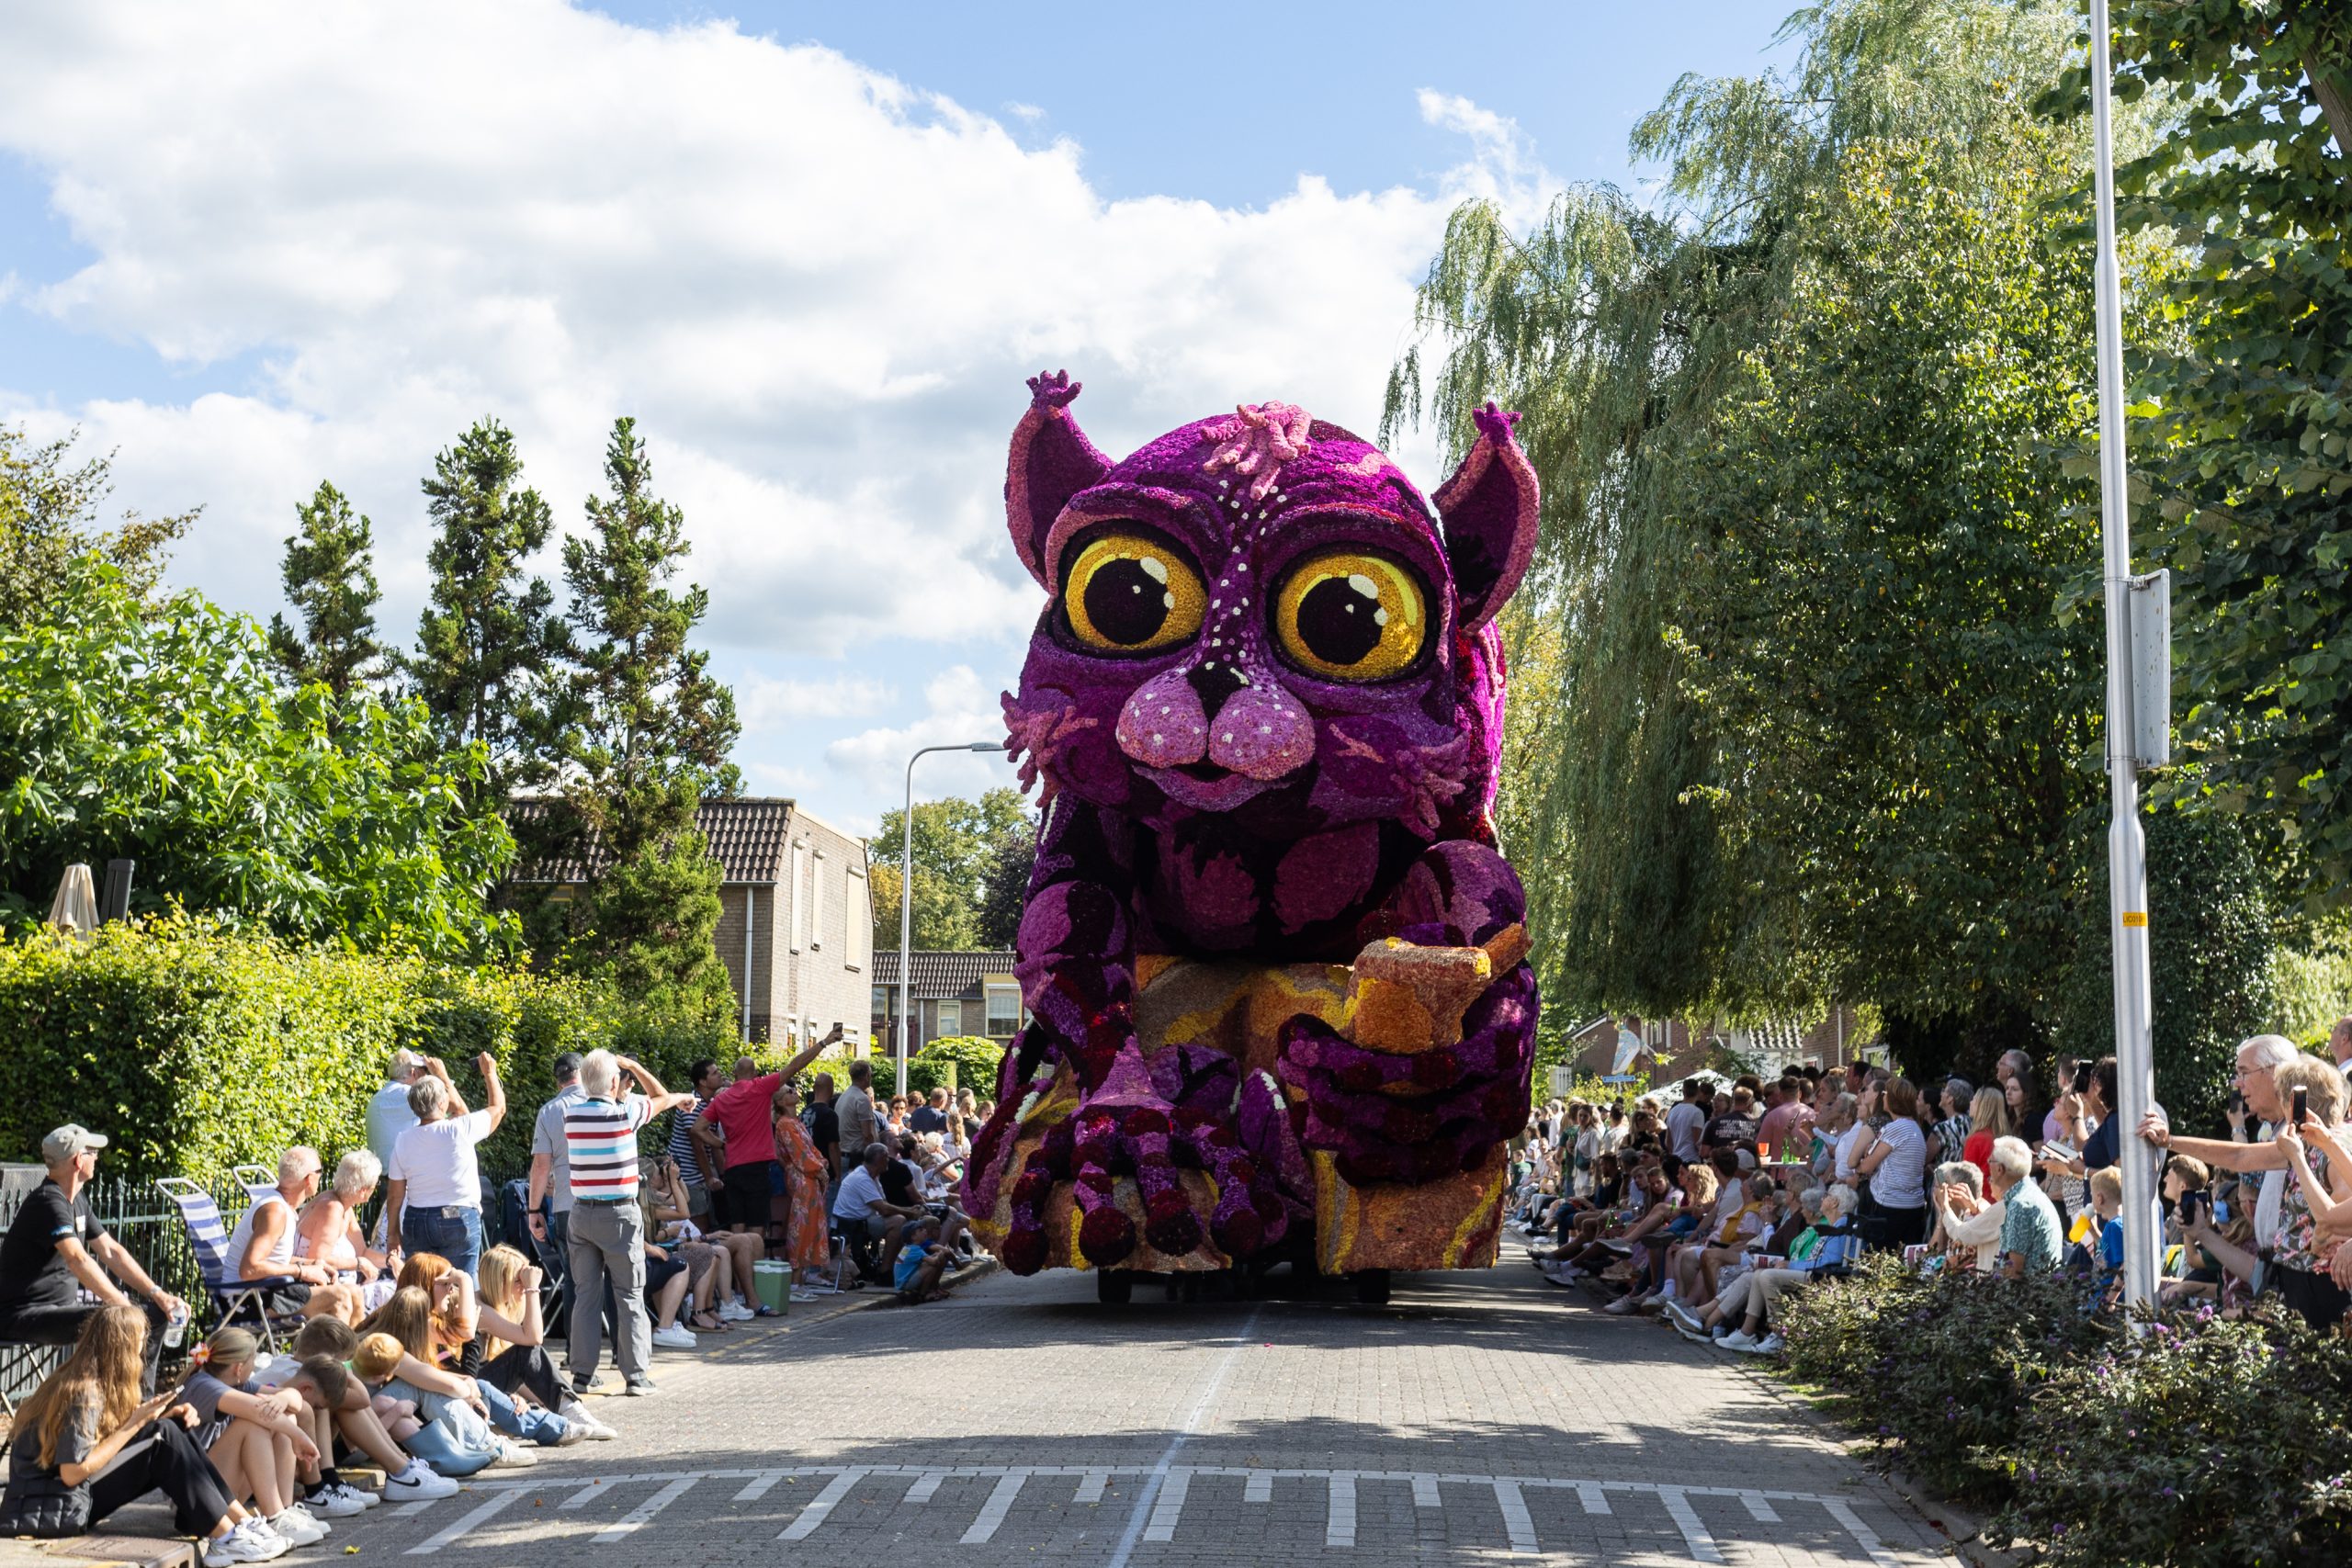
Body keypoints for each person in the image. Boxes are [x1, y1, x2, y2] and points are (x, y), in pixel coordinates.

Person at [0, 1305, 286, 1564]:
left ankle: (239, 1522)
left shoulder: (93, 1380)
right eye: (139, 1341)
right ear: (121, 1347)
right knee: (160, 1436)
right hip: (55, 1503)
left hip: (66, 1496)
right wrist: (137, 1423)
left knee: (169, 1428)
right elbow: (72, 1472)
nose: (143, 1349)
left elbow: (106, 1440)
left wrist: (161, 1415)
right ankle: (225, 1539)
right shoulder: (84, 1391)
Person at [2134, 1035, 2337, 1321]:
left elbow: (2239, 1157)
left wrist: (2169, 1141)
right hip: (2284, 1276)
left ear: (2277, 1074)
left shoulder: (2311, 1141)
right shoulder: (2289, 1136)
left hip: (2314, 1285)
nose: (2237, 1083)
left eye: (2244, 1072)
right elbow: (2240, 1158)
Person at [0, 1125, 187, 1391]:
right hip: (24, 1315)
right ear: (78, 1160)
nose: (97, 1157)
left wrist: (158, 1293)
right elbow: (78, 1259)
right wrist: (121, 1304)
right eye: (92, 1152)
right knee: (119, 1319)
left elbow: (111, 1251)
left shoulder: (76, 1200)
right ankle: (127, 1410)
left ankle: (139, 1402)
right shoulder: (48, 1202)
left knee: (154, 1314)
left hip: (62, 1306)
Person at [560, 1050, 695, 1398]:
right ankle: (636, 1375)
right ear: (615, 1082)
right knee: (629, 1295)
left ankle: (582, 1374)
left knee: (586, 1296)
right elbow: (660, 1098)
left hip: (580, 1214)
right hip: (618, 1214)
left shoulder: (571, 1115)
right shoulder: (624, 1115)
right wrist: (636, 1066)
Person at [179, 1326, 330, 1547]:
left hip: (221, 1487)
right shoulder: (203, 1386)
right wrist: (299, 1436)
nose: (255, 1365)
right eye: (254, 1359)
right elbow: (257, 1411)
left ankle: (284, 1513)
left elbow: (298, 1402)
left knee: (284, 1416)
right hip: (196, 1497)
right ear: (239, 1368)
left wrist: (284, 1397)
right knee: (253, 1425)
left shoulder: (238, 1383)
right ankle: (275, 1515)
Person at [697, 1027, 844, 1240]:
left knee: (737, 1225)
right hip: (757, 1167)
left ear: (735, 1074)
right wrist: (823, 1043)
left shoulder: (721, 1099)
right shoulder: (761, 1087)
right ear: (755, 1073)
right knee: (757, 1227)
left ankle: (736, 1271)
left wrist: (722, 1145)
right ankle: (753, 1270)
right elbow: (795, 1065)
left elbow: (698, 1129)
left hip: (733, 1169)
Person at [462, 1246, 615, 1440]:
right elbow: (533, 1339)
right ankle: (569, 1412)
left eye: (526, 1281)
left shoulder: (498, 1305)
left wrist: (533, 1400)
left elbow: (522, 1369)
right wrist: (533, 1290)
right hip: (470, 1389)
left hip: (480, 1385)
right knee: (527, 1349)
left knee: (527, 1359)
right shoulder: (478, 1308)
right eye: (519, 1280)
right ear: (499, 1282)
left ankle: (570, 1411)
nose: (524, 1287)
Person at [384, 1055, 505, 1278]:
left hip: (416, 1219)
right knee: (460, 1288)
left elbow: (395, 1196)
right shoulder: (460, 1129)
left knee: (421, 1290)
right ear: (442, 1104)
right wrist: (490, 1074)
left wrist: (392, 1234)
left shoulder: (403, 1139)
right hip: (458, 1216)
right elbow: (498, 1108)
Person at [224, 1147, 336, 1314]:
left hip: (262, 1293)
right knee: (340, 1298)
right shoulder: (275, 1212)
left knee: (353, 1293)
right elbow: (249, 1269)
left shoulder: (281, 1206)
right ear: (309, 1179)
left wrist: (311, 1264)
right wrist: (302, 1271)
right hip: (245, 1301)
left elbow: (274, 1258)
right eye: (320, 1171)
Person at [773, 1081, 836, 1295]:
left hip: (809, 1176)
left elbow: (811, 1149)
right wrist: (819, 1168)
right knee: (801, 1226)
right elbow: (798, 1153)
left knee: (811, 1225)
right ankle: (795, 1281)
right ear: (781, 1102)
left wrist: (820, 1164)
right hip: (801, 1177)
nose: (794, 1091)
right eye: (788, 1091)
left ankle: (800, 1279)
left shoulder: (795, 1122)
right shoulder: (785, 1124)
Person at [524, 1054, 588, 1267]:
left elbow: (541, 1166)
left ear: (557, 1081)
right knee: (609, 1279)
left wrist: (533, 1211)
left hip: (567, 1204)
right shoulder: (606, 1103)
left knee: (573, 1278)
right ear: (583, 1072)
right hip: (607, 1203)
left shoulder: (549, 1111)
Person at [1851, 1077, 1930, 1249]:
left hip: (1890, 1205)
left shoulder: (1895, 1128)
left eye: (1885, 1093)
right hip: (1913, 1205)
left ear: (1893, 1099)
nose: (1883, 1097)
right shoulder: (1915, 1127)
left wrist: (1858, 1167)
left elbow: (1868, 1165)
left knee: (1881, 1261)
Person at [293, 1151, 390, 1286]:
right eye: (376, 1183)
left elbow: (362, 1251)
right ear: (363, 1190)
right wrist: (359, 1264)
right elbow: (317, 1260)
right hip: (324, 1291)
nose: (376, 1187)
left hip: (342, 1287)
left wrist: (390, 1261)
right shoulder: (331, 1209)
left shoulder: (343, 1205)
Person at [832, 1143, 922, 1285]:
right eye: (887, 1158)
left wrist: (909, 1212)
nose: (889, 1161)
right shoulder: (862, 1178)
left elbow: (884, 1203)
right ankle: (885, 1271)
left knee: (902, 1221)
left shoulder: (873, 1176)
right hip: (852, 1223)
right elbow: (883, 1208)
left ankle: (893, 1266)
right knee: (898, 1221)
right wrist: (909, 1212)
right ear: (880, 1159)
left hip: (863, 1219)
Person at [1990, 1135, 2062, 1276]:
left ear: (2000, 1169)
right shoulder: (2029, 1194)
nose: (1987, 1164)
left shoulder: (2021, 1205)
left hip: (2030, 1294)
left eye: (1990, 1161)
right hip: (2039, 1290)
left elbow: (2014, 1271)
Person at [665, 1058, 724, 1223]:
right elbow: (697, 1143)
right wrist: (709, 1178)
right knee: (699, 1223)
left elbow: (712, 1141)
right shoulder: (691, 1104)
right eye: (715, 1072)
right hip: (688, 1176)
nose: (720, 1074)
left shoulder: (710, 1104)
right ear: (703, 1082)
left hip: (699, 1174)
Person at [366, 1051, 427, 1173]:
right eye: (425, 1072)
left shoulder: (379, 1096)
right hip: (401, 1180)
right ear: (414, 1073)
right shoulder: (406, 1094)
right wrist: (441, 1075)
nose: (426, 1077)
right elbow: (444, 1100)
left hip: (381, 1176)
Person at [835, 1058, 883, 1173]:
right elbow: (867, 1134)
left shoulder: (843, 1096)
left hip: (843, 1155)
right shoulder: (862, 1099)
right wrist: (874, 1158)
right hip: (856, 1158)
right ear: (867, 1076)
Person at [893, 1214, 953, 1303]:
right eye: (921, 1230)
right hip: (905, 1283)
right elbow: (933, 1262)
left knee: (928, 1264)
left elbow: (926, 1259)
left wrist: (935, 1255)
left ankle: (931, 1289)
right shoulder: (915, 1250)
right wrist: (940, 1254)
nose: (925, 1231)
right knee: (931, 1267)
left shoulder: (908, 1248)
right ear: (913, 1237)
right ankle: (923, 1294)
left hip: (901, 1281)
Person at [1960, 1086, 2008, 1185]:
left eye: (1974, 1099)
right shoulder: (2005, 1138)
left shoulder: (1977, 1139)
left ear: (1982, 1106)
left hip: (1980, 1197)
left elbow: (1966, 1178)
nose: (1970, 1102)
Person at [1664, 1078, 1707, 1163]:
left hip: (1676, 1158)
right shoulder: (1697, 1112)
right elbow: (1697, 1141)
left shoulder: (1673, 1111)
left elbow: (1668, 1141)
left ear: (1683, 1091)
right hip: (1691, 1159)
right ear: (1698, 1092)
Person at [1932, 1079, 1973, 1166]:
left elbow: (1922, 1161)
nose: (1941, 1093)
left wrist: (1937, 1173)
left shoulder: (1942, 1129)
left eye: (1944, 1090)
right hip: (1968, 1177)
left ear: (1950, 1099)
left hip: (1944, 1178)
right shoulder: (1973, 1123)